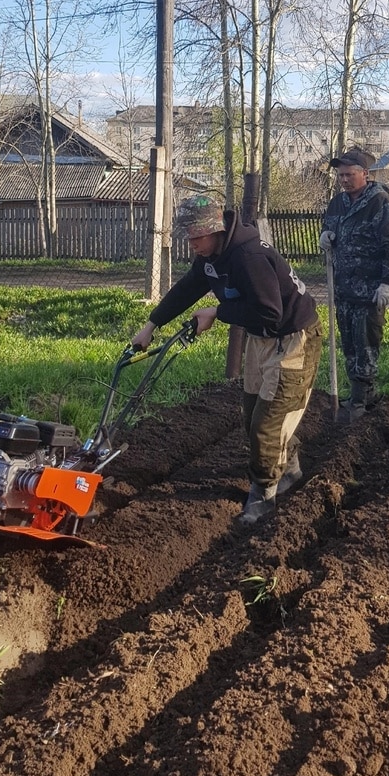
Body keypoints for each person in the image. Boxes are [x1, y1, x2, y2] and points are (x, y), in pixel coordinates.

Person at [131, 195, 323, 527]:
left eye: (196, 237)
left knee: (267, 425)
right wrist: (152, 324)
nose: (191, 244)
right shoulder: (212, 254)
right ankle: (288, 468)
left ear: (215, 230)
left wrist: (218, 312)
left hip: (293, 339)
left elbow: (271, 310)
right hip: (260, 337)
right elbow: (190, 286)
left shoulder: (248, 256)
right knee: (252, 419)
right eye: (188, 237)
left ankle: (264, 493)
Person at [321, 148, 389, 420]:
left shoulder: (381, 204)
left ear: (365, 174)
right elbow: (331, 227)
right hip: (344, 289)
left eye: (349, 174)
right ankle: (363, 396)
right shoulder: (338, 203)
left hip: (369, 291)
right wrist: (325, 234)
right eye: (340, 175)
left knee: (366, 344)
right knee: (348, 344)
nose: (344, 180)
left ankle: (360, 399)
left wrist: (388, 283)